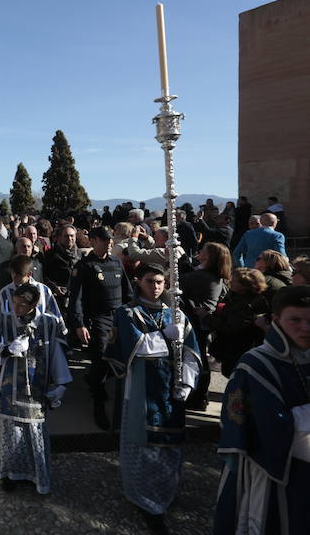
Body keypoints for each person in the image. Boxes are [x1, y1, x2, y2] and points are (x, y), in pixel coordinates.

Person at [104, 263, 201, 534]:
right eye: (150, 281)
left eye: (160, 282)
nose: (155, 287)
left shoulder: (176, 314)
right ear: (138, 282)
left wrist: (187, 383)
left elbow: (192, 352)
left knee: (169, 446)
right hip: (141, 390)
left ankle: (166, 491)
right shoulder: (127, 313)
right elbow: (135, 347)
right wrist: (165, 337)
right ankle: (143, 499)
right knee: (142, 445)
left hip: (171, 391)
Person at [213, 286, 310, 534]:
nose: (305, 328)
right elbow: (267, 424)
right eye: (295, 320)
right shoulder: (256, 364)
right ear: (276, 320)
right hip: (276, 470)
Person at [0, 283, 71, 494]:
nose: (16, 310)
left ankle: (37, 476)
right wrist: (7, 350)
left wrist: (61, 384)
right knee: (12, 433)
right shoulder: (6, 320)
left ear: (33, 304)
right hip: (10, 388)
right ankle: (10, 475)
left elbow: (56, 354)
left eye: (22, 306)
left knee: (36, 433)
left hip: (37, 390)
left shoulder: (49, 324)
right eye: (14, 304)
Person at [68, 226, 132, 430]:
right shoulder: (84, 266)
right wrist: (78, 324)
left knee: (122, 359)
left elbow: (127, 293)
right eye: (105, 240)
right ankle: (98, 404)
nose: (109, 244)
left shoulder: (116, 262)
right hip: (98, 320)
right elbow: (75, 299)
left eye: (110, 240)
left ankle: (94, 379)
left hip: (119, 318)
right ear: (94, 241)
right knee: (101, 359)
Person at [179, 242, 232, 410]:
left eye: (203, 250)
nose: (199, 251)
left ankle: (196, 395)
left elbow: (178, 282)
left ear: (208, 257)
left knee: (195, 359)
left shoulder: (203, 276)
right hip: (203, 324)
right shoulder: (216, 276)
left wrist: (180, 268)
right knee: (200, 358)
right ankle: (201, 396)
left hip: (196, 324)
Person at [207, 268, 269, 377]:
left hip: (239, 350)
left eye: (234, 281)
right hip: (232, 349)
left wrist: (206, 317)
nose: (230, 282)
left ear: (245, 286)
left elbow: (229, 328)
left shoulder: (248, 305)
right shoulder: (235, 297)